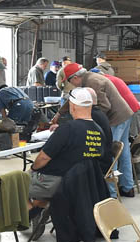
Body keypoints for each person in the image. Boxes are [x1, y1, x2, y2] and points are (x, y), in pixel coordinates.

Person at [56, 62, 134, 197]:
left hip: (116, 118)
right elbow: (74, 98)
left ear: (75, 78)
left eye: (69, 81)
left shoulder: (92, 82)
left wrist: (88, 122)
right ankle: (128, 187)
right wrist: (59, 113)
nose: (71, 85)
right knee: (123, 152)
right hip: (124, 114)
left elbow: (104, 106)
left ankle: (111, 194)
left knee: (110, 153)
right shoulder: (87, 79)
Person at [30, 87, 108, 213]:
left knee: (17, 183)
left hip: (59, 182)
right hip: (86, 184)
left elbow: (43, 158)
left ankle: (31, 214)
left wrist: (32, 169)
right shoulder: (99, 131)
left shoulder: (67, 129)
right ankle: (42, 208)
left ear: (73, 107)